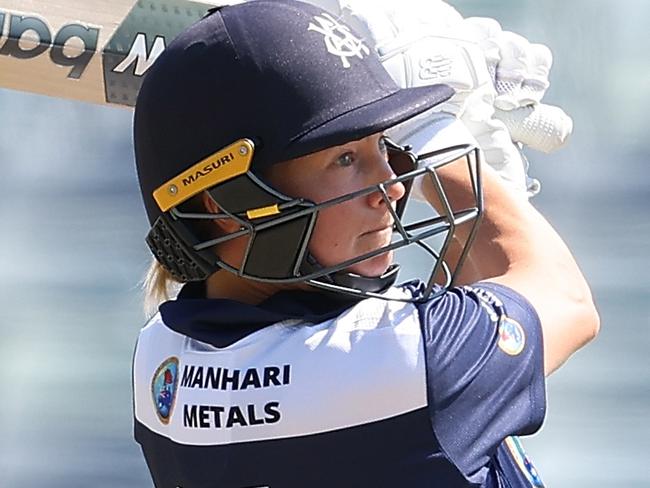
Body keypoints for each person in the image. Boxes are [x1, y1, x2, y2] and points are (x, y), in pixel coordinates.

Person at [132, 1, 599, 487]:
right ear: (226, 208)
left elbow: (430, 371)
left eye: (384, 146)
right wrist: (443, 138)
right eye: (346, 158)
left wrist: (488, 195)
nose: (393, 187)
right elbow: (565, 299)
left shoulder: (161, 359)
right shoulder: (401, 366)